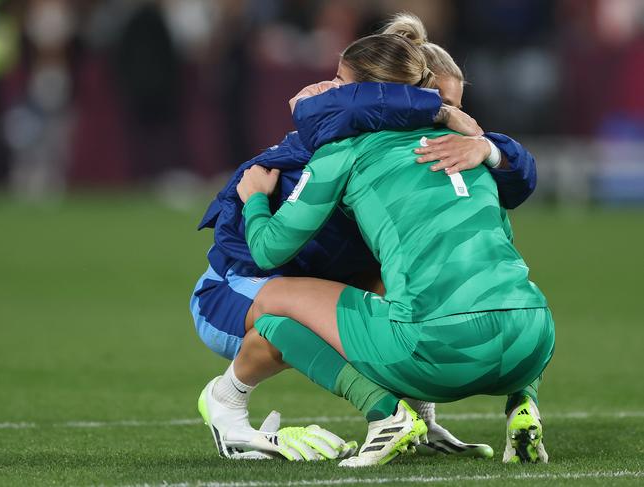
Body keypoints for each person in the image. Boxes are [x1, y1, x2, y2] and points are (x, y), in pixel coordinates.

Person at [192, 15, 539, 461]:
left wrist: (488, 147)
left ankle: (420, 421)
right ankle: (228, 404)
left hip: (320, 279)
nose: (458, 121)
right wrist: (441, 114)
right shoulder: (332, 144)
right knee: (293, 310)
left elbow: (517, 180)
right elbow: (264, 247)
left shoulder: (429, 151)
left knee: (412, 288)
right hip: (239, 288)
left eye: (458, 106)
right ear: (403, 100)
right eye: (441, 106)